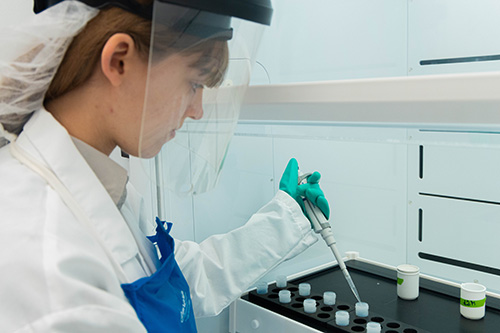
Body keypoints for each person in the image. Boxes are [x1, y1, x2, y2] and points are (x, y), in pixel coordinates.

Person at [0, 0, 330, 332]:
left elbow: (177, 282)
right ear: (119, 61)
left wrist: (287, 219)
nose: (198, 110)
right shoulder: (48, 262)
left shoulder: (99, 186)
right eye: (194, 83)